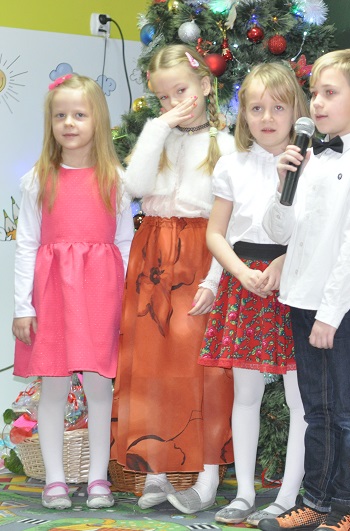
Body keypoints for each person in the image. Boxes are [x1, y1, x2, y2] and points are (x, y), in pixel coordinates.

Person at [259, 49, 350, 531]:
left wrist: (331, 314)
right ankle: (315, 499)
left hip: (341, 308)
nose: (317, 103)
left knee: (349, 411)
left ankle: (348, 507)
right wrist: (283, 183)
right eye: (315, 93)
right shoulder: (308, 157)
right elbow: (280, 231)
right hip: (302, 298)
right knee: (318, 411)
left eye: (330, 93)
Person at [110, 44, 236, 514]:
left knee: (203, 366)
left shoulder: (227, 145)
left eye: (181, 91)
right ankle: (156, 469)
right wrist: (158, 128)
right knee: (150, 363)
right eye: (163, 97)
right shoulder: (158, 135)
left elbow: (232, 222)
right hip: (154, 254)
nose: (173, 104)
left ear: (205, 85)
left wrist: (215, 279)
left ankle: (206, 475)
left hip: (201, 254)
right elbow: (135, 187)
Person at [12, 73, 134, 510]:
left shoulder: (115, 179)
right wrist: (23, 306)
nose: (69, 123)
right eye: (60, 115)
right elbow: (27, 244)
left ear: (98, 120)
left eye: (79, 114)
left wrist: (125, 301)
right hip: (53, 296)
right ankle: (55, 480)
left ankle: (98, 478)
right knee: (53, 387)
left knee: (100, 387)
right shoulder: (37, 179)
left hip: (101, 295)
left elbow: (125, 243)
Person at [199, 63, 308, 526]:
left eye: (278, 108)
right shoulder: (232, 165)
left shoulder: (312, 164)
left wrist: (284, 264)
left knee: (299, 398)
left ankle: (287, 495)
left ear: (296, 111)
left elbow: (315, 230)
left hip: (295, 283)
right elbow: (216, 233)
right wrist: (240, 272)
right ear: (243, 113)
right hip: (244, 283)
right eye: (257, 108)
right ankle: (244, 492)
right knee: (245, 393)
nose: (267, 117)